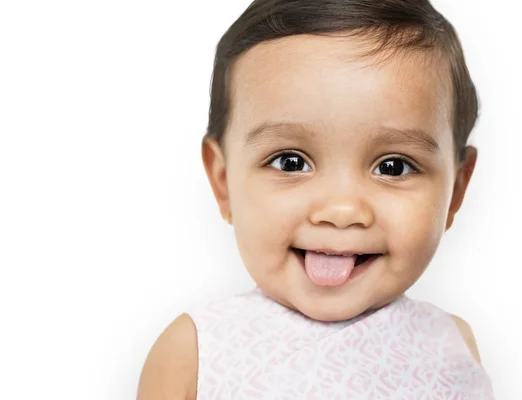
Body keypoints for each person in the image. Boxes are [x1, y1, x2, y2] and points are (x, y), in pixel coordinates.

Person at [137, 0, 495, 398]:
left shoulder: (454, 343)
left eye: (393, 167)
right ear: (223, 182)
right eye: (291, 162)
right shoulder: (197, 349)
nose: (341, 211)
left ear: (456, 191)